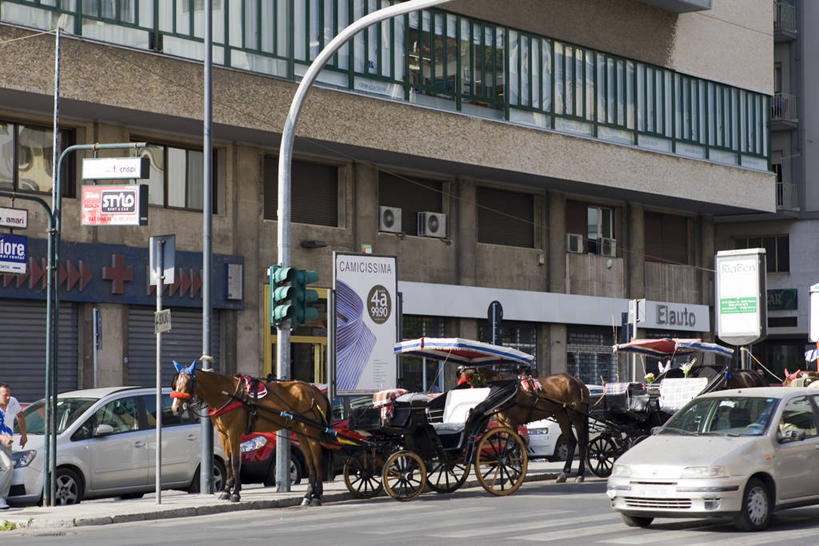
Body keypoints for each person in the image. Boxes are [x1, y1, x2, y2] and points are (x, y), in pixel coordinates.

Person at [0, 383, 27, 510]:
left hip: (7, 443)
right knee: (7, 466)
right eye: (5, 395)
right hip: (2, 441)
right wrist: (2, 437)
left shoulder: (12, 402)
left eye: (9, 395)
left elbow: (20, 416)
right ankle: (1, 498)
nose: (8, 397)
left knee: (4, 470)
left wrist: (24, 435)